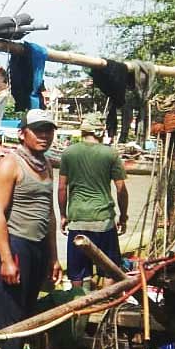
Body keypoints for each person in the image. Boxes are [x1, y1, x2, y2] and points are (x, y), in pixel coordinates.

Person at [0, 109, 62, 349]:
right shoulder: (9, 165)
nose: (44, 136)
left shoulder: (46, 165)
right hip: (16, 245)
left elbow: (50, 214)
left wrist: (54, 256)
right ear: (23, 133)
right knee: (12, 314)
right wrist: (7, 259)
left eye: (48, 130)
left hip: (39, 246)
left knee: (28, 312)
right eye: (38, 130)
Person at [58, 114, 129, 289]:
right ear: (101, 130)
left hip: (77, 222)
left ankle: (80, 310)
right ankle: (106, 308)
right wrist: (123, 216)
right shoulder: (110, 154)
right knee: (109, 269)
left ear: (82, 130)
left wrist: (63, 215)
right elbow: (121, 189)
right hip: (103, 221)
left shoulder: (68, 153)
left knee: (77, 272)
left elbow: (61, 188)